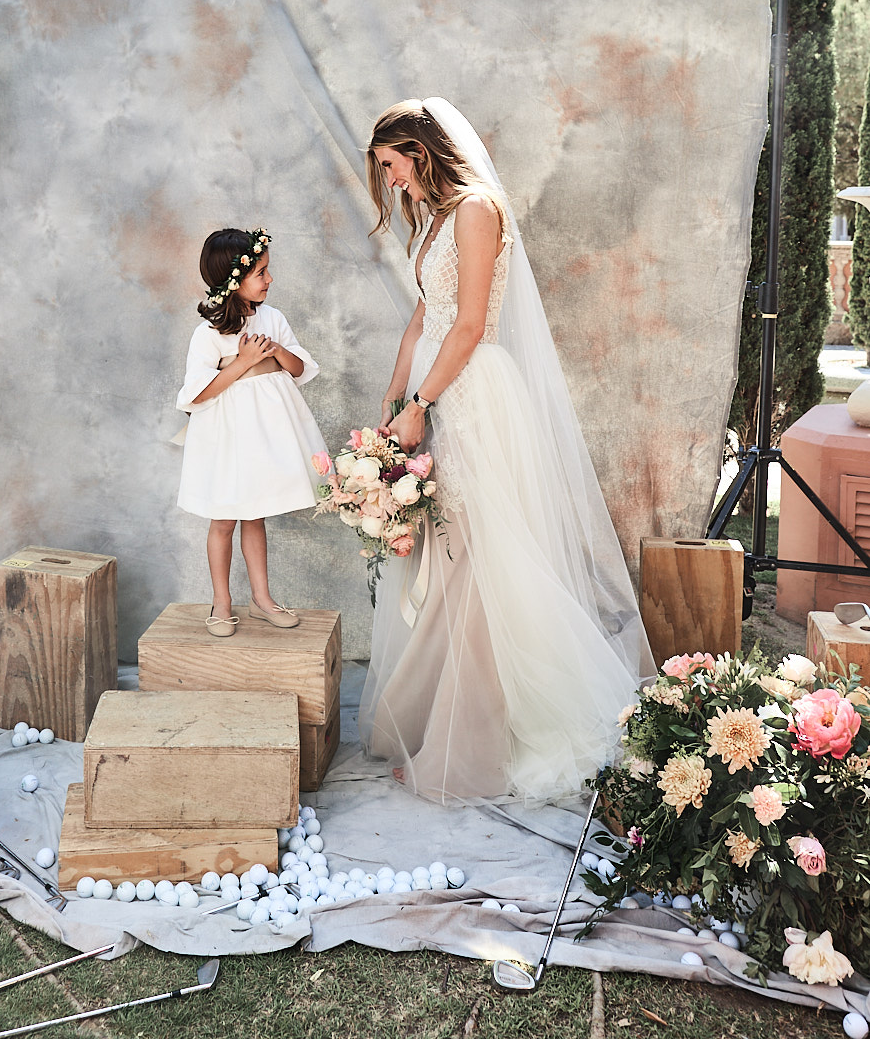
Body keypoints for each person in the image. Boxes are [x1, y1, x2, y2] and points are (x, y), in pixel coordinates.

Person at [359, 98, 654, 806]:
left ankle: (469, 746)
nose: (391, 181)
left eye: (393, 166)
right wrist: (395, 395)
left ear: (420, 151)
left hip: (470, 395)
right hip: (432, 390)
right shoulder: (434, 218)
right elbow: (423, 316)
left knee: (476, 561)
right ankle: (437, 718)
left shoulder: (476, 211)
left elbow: (466, 326)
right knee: (445, 559)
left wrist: (422, 404)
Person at [176, 228, 325, 638]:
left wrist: (276, 350)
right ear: (233, 279)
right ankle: (222, 602)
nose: (269, 279)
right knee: (224, 519)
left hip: (264, 435)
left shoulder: (273, 318)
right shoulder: (208, 333)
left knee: (255, 514)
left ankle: (262, 598)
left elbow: (300, 369)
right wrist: (242, 363)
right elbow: (196, 394)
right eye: (261, 272)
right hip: (226, 437)